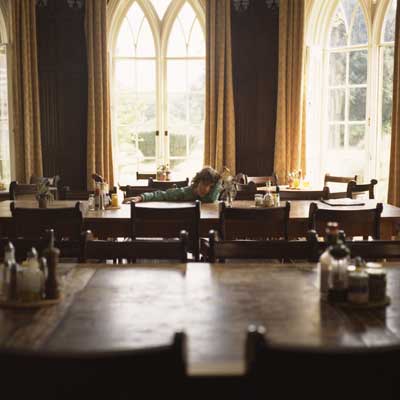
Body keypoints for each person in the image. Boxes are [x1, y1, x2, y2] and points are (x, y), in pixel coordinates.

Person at [123, 166, 222, 203]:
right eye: (204, 184)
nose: (206, 189)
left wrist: (218, 178)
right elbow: (162, 194)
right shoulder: (185, 192)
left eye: (209, 186)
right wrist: (141, 197)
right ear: (197, 182)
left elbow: (217, 186)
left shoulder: (210, 196)